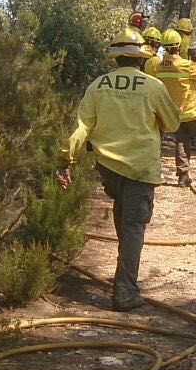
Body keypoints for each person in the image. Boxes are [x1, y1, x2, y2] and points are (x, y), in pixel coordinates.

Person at [55, 28, 181, 311]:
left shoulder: (98, 86)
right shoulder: (153, 87)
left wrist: (64, 161)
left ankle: (124, 276)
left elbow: (81, 127)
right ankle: (124, 292)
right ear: (141, 59)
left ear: (115, 59)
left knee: (124, 214)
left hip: (108, 168)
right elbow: (172, 124)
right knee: (134, 226)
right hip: (140, 169)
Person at [147, 24, 196, 188]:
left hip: (176, 115)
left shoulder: (160, 66)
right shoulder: (184, 65)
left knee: (181, 143)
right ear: (178, 45)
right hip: (195, 112)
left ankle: (183, 176)